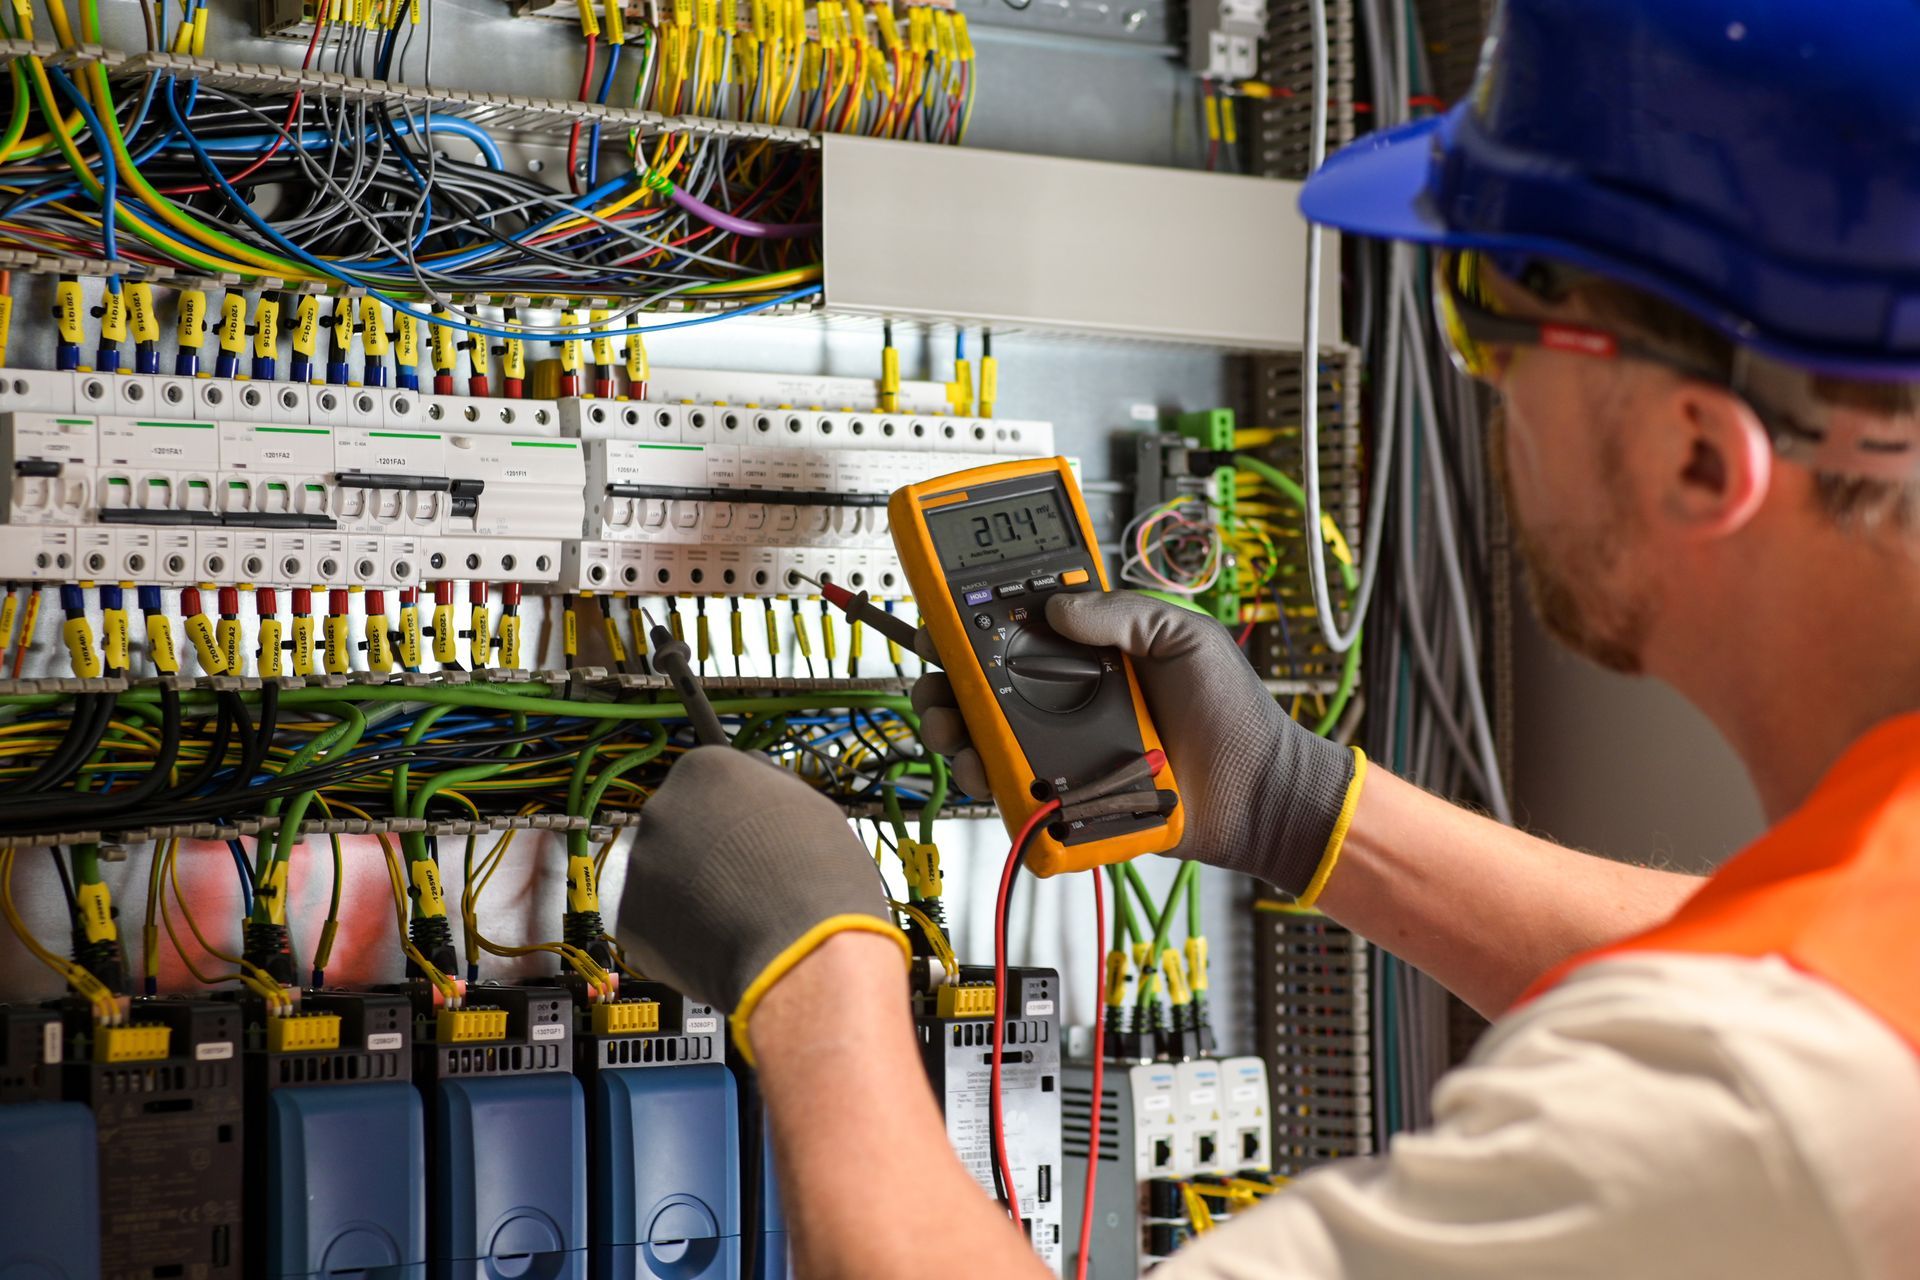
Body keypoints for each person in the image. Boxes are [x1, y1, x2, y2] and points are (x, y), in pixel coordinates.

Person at [619, 1, 1920, 1274]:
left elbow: (1751, 1051)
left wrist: (816, 975)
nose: (1481, 382)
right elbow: (1759, 963)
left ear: (1701, 456)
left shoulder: (1755, 1100)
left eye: (1489, 312)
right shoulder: (1817, 1014)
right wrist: (1305, 810)